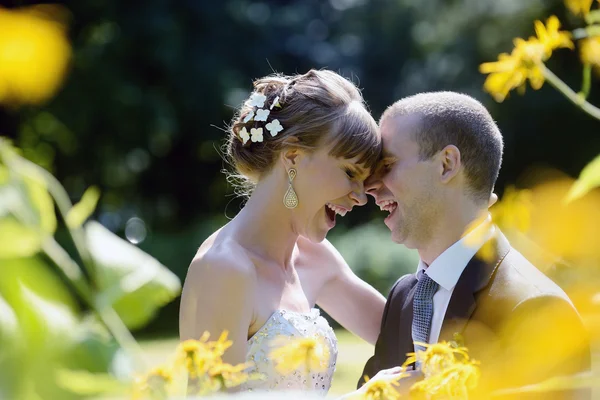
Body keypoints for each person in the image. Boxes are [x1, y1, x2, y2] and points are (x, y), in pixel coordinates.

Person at [358, 91, 591, 398]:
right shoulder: (403, 297)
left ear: (446, 164)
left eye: (386, 166)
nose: (369, 186)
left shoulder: (536, 308)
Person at [179, 69, 389, 394]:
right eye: (350, 172)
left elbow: (406, 339)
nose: (361, 196)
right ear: (292, 156)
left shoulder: (315, 258)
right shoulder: (224, 269)